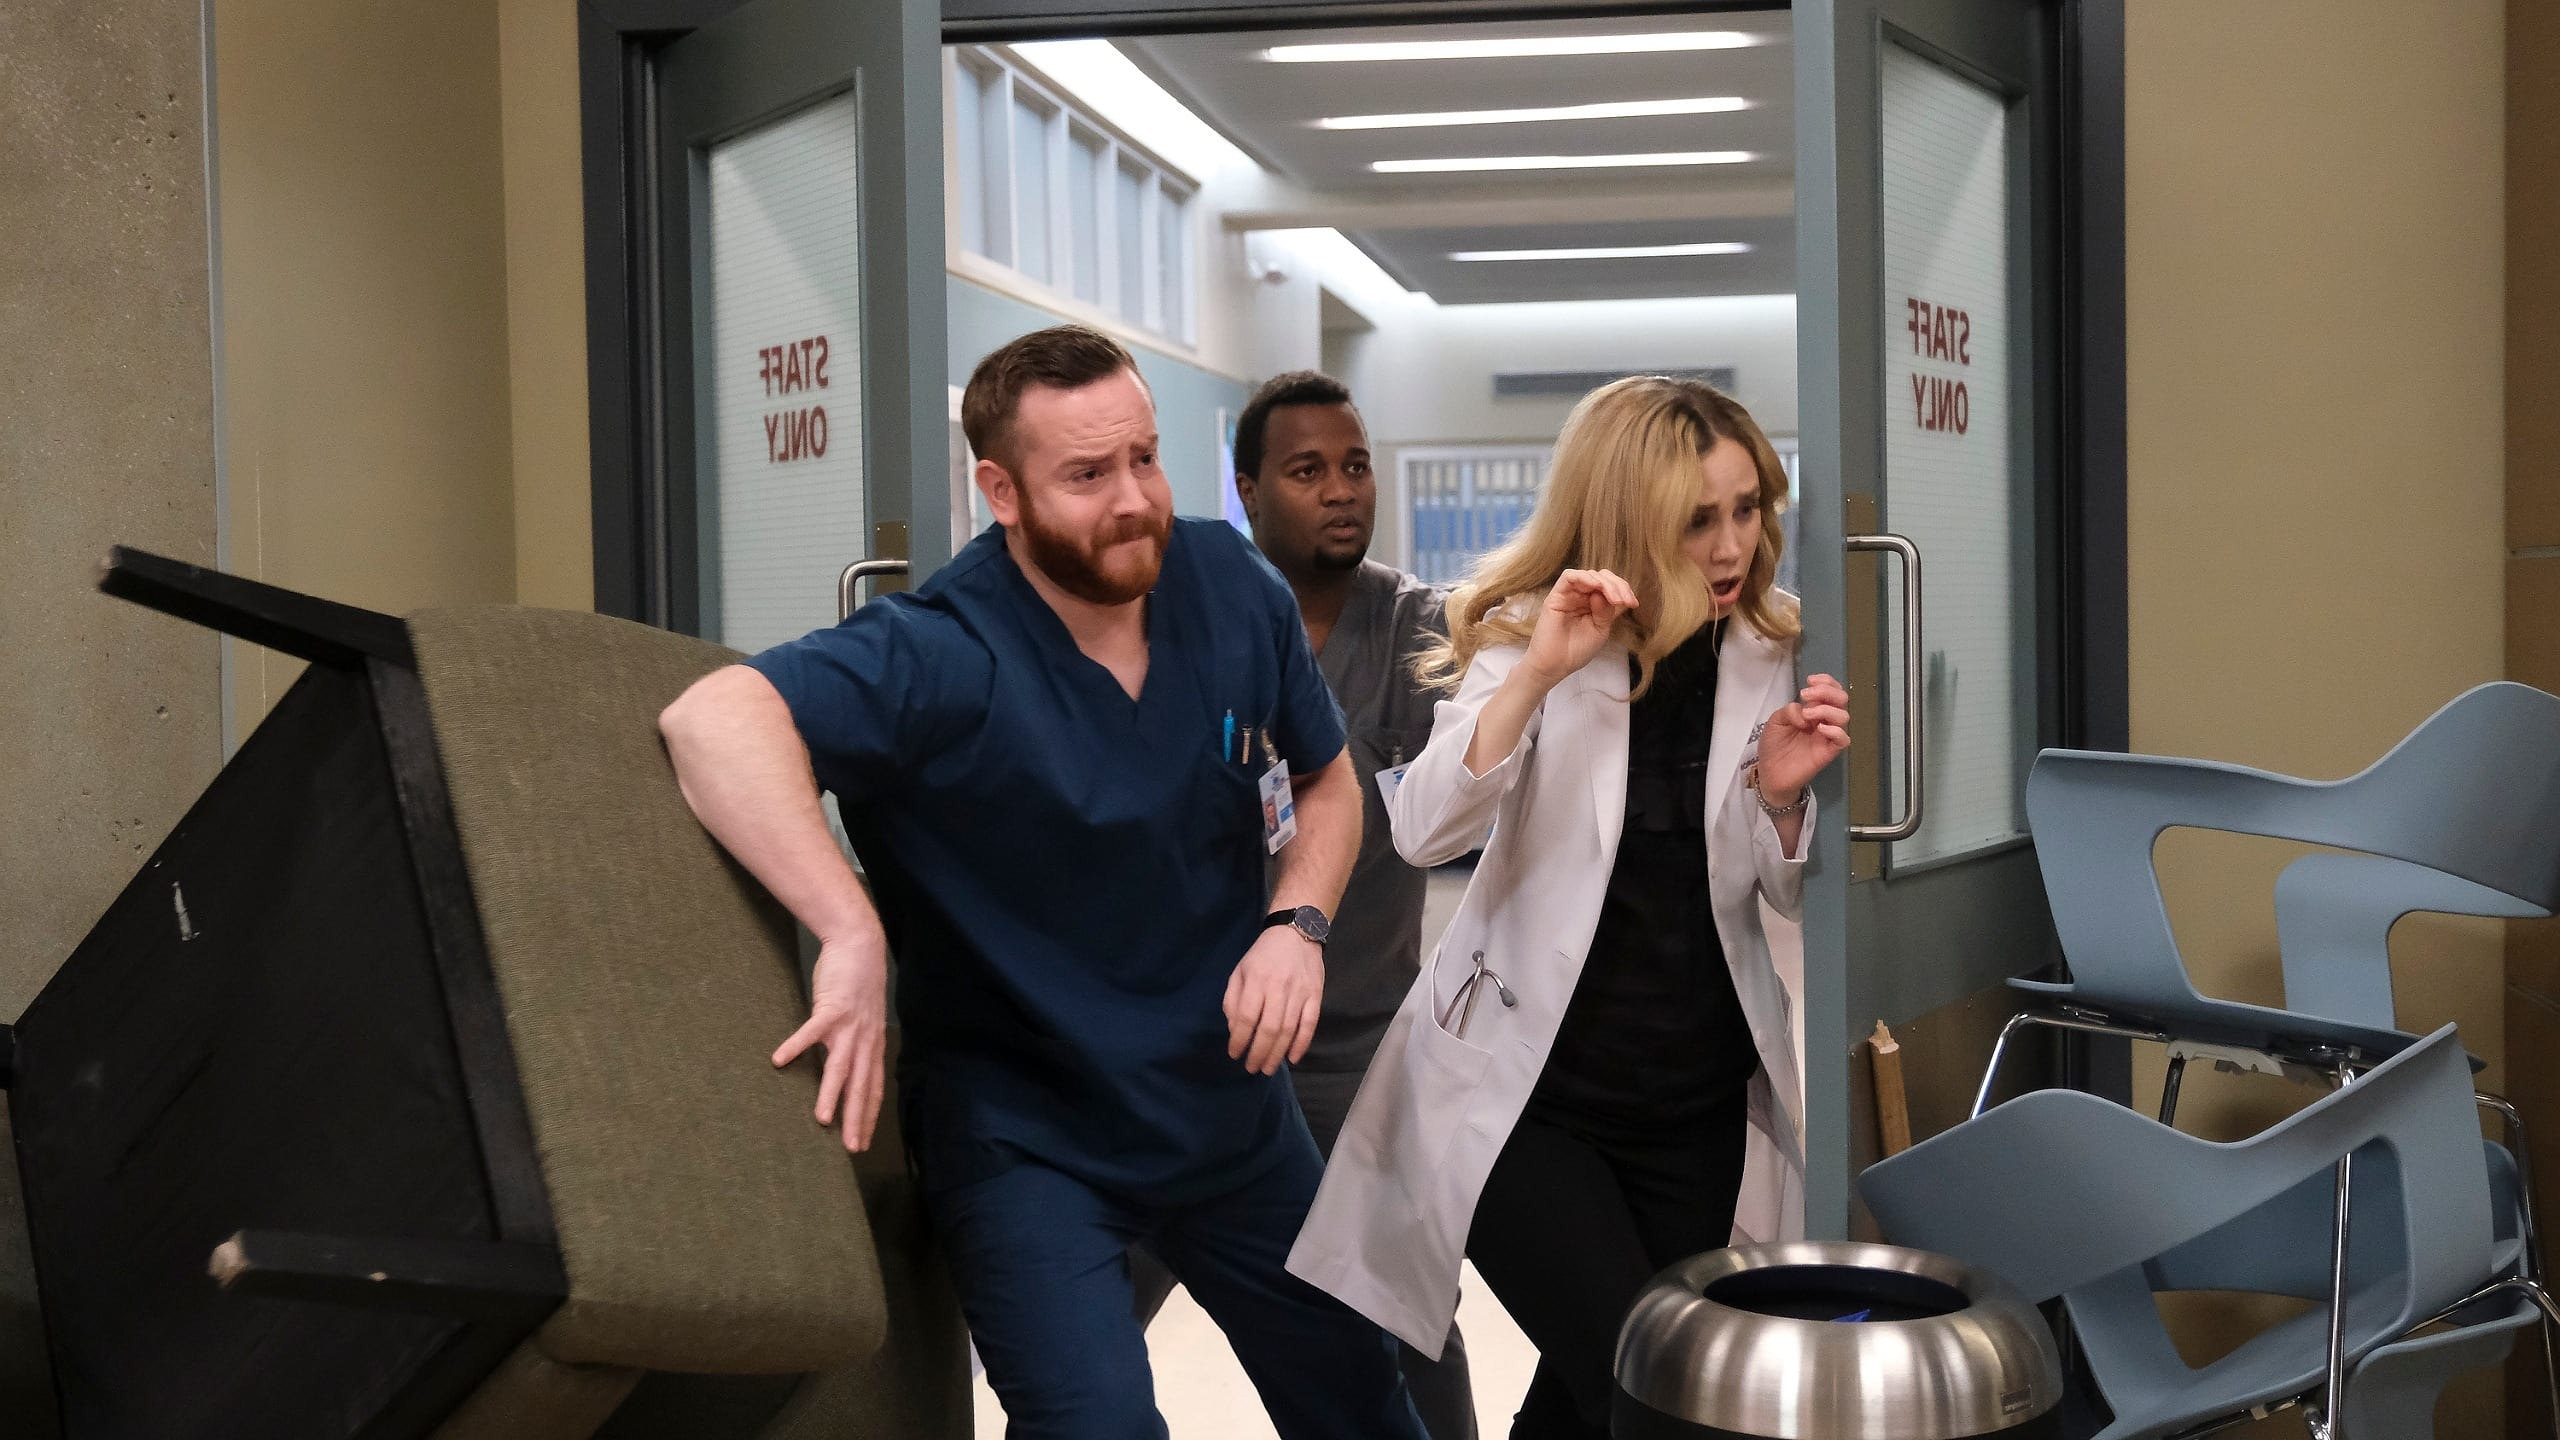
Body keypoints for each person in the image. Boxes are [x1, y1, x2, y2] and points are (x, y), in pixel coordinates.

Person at [658, 325, 1427, 1440]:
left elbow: (1326, 781)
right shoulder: (941, 649)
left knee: (1363, 1399)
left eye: (1145, 458)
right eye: (1087, 474)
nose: (1134, 501)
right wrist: (847, 926)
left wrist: (1296, 923)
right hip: (1029, 1142)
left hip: (1227, 1113)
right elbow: (713, 719)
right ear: (1001, 493)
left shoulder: (1225, 582)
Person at [1287, 376, 1850, 1440]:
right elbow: (1424, 831)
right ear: (1629, 518)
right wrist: (1536, 674)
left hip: (1694, 1107)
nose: (1733, 545)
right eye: (1698, 520)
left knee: (1590, 1403)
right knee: (1654, 1394)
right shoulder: (1530, 639)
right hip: (1528, 1104)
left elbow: (1775, 891)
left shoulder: (1769, 648)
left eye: (1747, 509)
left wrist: (1780, 801)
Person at [1131, 371, 1479, 1440]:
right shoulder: (1182, 619)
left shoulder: (1417, 629)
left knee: (1409, 1321)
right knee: (1101, 1305)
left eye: (1355, 466)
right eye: (1307, 470)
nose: (1341, 490)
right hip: (1192, 1042)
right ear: (1246, 489)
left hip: (1358, 1047)